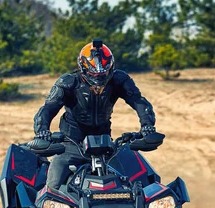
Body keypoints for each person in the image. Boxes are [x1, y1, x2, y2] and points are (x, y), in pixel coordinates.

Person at [33, 39, 156, 190]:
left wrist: (147, 126)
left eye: (103, 72)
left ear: (110, 67)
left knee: (142, 181)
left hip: (107, 145)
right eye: (93, 72)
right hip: (70, 143)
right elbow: (47, 109)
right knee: (53, 186)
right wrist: (42, 131)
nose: (98, 77)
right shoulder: (68, 82)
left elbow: (139, 102)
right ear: (82, 67)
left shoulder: (119, 80)